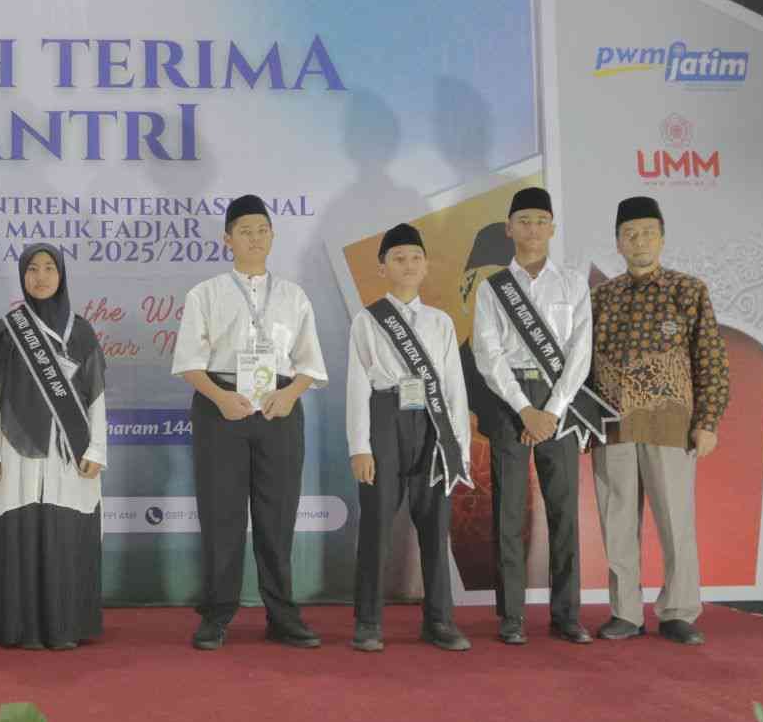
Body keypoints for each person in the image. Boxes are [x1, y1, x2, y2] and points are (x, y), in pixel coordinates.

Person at [172, 194, 328, 650]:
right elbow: (189, 363)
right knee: (220, 515)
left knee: (276, 516)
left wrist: (290, 394)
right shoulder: (205, 294)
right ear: (227, 239)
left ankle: (282, 615)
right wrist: (221, 398)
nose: (255, 239)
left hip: (279, 409)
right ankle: (216, 614)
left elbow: (310, 365)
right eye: (244, 231)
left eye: (262, 230)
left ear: (273, 236)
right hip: (221, 407)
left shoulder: (294, 296)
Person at [471, 186, 615, 645]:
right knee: (508, 512)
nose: (532, 229)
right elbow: (487, 354)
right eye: (524, 221)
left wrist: (551, 410)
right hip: (511, 400)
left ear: (553, 228)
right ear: (509, 228)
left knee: (564, 510)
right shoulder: (492, 288)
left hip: (560, 403)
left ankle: (567, 615)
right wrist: (524, 409)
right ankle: (512, 616)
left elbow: (580, 352)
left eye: (541, 221)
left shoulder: (572, 283)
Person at [589, 196, 730, 645]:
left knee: (675, 521)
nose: (639, 241)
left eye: (648, 232)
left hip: (671, 424)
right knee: (617, 522)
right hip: (612, 425)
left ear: (662, 238)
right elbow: (581, 365)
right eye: (629, 234)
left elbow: (711, 359)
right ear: (618, 243)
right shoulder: (600, 297)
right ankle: (625, 612)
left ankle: (678, 611)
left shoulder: (688, 291)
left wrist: (707, 420)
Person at [347, 223, 473, 652]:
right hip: (385, 418)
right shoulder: (368, 320)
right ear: (382, 267)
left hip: (433, 424)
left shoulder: (440, 322)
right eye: (398, 258)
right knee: (376, 525)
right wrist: (360, 446)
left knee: (435, 527)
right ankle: (368, 622)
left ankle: (439, 621)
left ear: (426, 266)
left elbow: (454, 388)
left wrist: (459, 448)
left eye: (415, 258)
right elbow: (357, 386)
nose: (408, 265)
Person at [0, 243, 107, 650]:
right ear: (22, 276)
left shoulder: (81, 332)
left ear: (61, 275)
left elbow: (97, 397)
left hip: (71, 454)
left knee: (65, 534)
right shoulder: (5, 331)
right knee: (19, 533)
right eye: (32, 269)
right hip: (14, 452)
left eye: (50, 268)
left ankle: (66, 626)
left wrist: (96, 450)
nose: (41, 276)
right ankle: (18, 628)